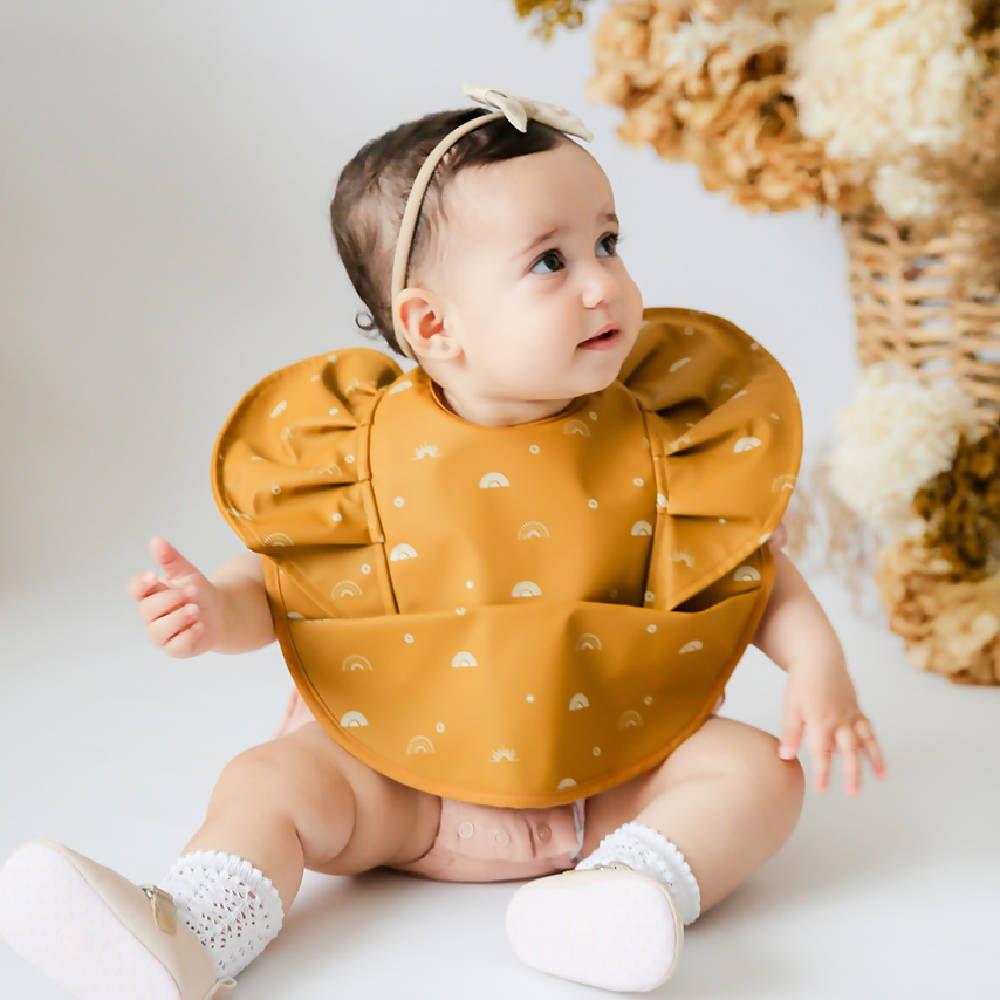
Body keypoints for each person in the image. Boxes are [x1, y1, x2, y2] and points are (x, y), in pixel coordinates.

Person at [0, 86, 887, 999]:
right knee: (268, 780)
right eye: (551, 261)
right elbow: (287, 579)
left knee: (759, 773)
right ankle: (194, 927)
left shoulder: (662, 434)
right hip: (401, 781)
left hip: (611, 768)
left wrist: (818, 670)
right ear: (433, 325)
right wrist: (216, 611)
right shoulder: (361, 450)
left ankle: (626, 888)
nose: (603, 284)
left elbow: (754, 573)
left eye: (608, 242)